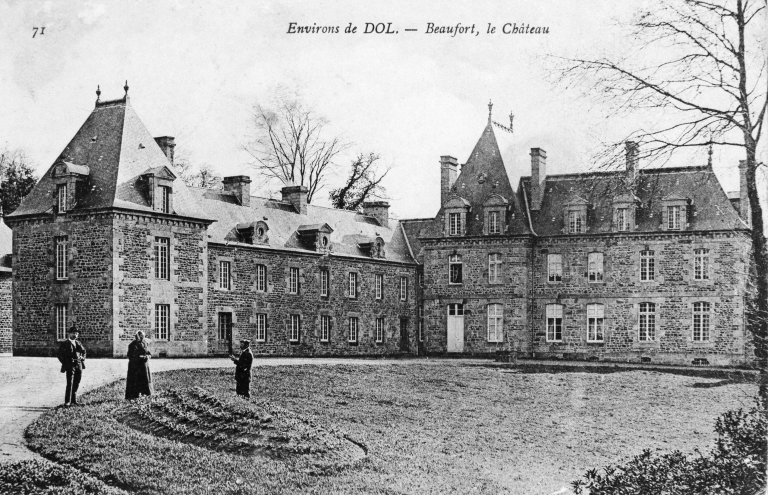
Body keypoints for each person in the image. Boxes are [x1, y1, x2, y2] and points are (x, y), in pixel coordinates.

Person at [57, 325, 86, 406]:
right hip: (70, 365)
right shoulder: (65, 343)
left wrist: (82, 357)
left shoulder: (78, 343)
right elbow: (59, 354)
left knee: (77, 382)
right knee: (70, 383)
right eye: (73, 333)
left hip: (79, 365)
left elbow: (84, 351)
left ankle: (74, 400)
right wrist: (65, 362)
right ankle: (67, 401)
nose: (75, 335)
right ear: (69, 334)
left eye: (77, 334)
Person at [125, 331, 153, 400]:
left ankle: (146, 393)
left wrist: (148, 356)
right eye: (141, 337)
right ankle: (133, 395)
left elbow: (148, 352)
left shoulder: (145, 343)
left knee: (145, 380)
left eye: (143, 337)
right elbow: (131, 356)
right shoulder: (132, 345)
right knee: (134, 381)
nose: (142, 338)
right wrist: (141, 357)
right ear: (138, 336)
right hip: (135, 366)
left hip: (144, 365)